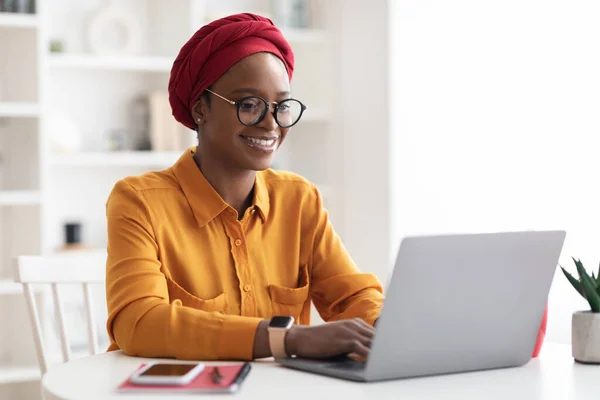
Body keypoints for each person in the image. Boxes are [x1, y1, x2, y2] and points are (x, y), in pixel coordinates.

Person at [104, 12, 547, 361]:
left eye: (282, 106)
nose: (270, 123)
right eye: (249, 104)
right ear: (200, 108)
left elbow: (352, 296)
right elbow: (139, 322)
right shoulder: (139, 201)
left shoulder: (299, 200)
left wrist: (390, 331)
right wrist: (289, 338)